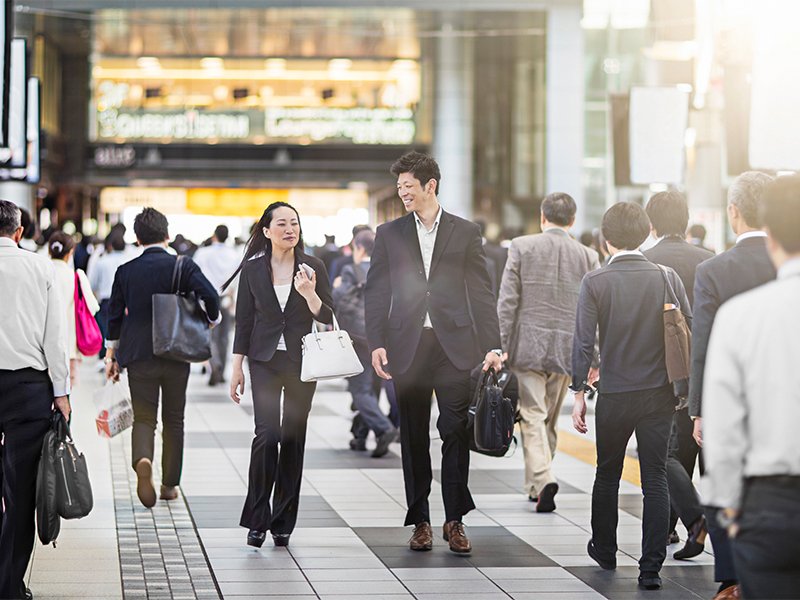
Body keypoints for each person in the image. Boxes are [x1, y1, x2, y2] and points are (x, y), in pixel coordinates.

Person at [364, 151, 502, 554]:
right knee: (412, 436)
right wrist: (376, 342)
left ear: (430, 186)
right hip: (406, 347)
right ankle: (420, 520)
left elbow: (481, 291)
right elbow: (376, 292)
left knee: (455, 432)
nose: (402, 193)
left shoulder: (465, 232)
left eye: (408, 186)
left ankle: (455, 520)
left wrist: (492, 345)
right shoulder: (389, 234)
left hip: (454, 348)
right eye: (399, 187)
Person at [571, 202, 690, 591]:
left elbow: (583, 341)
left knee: (607, 472)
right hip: (658, 393)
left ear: (606, 238)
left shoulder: (596, 281)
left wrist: (578, 393)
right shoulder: (666, 276)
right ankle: (651, 567)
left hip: (616, 392)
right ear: (645, 233)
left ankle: (604, 549)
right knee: (654, 475)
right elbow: (686, 327)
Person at [703, 175, 800, 599]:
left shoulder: (741, 316)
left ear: (772, 235)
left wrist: (730, 508)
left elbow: (723, 430)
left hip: (770, 502)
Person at [688, 171, 776, 600]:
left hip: (731, 401)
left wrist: (698, 408)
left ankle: (732, 578)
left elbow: (702, 344)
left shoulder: (713, 270)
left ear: (733, 212)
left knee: (722, 482)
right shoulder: (788, 265)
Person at [226, 201, 334, 549]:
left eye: (295, 224)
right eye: (283, 224)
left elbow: (328, 317)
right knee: (267, 434)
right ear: (267, 230)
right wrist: (236, 367)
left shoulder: (313, 266)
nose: (291, 229)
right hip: (264, 360)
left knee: (293, 437)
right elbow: (243, 322)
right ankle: (257, 519)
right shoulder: (253, 269)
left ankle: (283, 521)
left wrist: (310, 295)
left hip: (304, 362)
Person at [104, 208, 220, 508]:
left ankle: (143, 459)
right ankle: (170, 485)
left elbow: (114, 316)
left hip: (138, 353)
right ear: (167, 235)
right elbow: (211, 296)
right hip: (176, 351)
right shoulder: (183, 265)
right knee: (174, 419)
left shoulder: (126, 271)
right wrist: (211, 318)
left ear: (138, 238)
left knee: (144, 417)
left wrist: (111, 354)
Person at [497, 192, 600, 512]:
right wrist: (593, 356)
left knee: (532, 416)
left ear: (542, 218)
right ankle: (537, 485)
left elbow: (507, 301)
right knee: (549, 419)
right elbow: (592, 313)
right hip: (567, 350)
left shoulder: (522, 246)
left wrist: (501, 346)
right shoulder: (588, 256)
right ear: (572, 221)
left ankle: (542, 480)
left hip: (527, 347)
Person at [0, 199, 71, 600]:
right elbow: (54, 339)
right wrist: (60, 392)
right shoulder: (42, 268)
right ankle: (8, 586)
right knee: (20, 489)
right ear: (19, 231)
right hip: (28, 389)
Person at [642, 190, 714, 555]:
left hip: (658, 374)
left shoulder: (644, 261)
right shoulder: (710, 260)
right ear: (685, 221)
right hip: (702, 372)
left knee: (663, 453)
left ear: (651, 224)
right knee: (684, 447)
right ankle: (674, 527)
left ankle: (687, 521)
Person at [333, 229, 398, 457]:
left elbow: (339, 298)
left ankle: (383, 428)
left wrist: (338, 284)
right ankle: (359, 436)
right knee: (372, 388)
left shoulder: (351, 270)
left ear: (358, 248)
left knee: (360, 390)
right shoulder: (387, 270)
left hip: (358, 339)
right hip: (383, 339)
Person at [48, 231, 100, 389]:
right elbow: (92, 307)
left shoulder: (42, 273)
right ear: (71, 252)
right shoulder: (77, 276)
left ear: (50, 251)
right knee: (66, 392)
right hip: (70, 347)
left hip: (44, 348)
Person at [192, 224, 242, 386]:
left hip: (206, 299)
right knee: (224, 336)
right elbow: (238, 277)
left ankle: (215, 365)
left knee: (210, 335)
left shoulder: (203, 253)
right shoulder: (234, 254)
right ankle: (221, 371)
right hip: (226, 297)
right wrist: (233, 297)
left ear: (214, 235)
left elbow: (194, 273)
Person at [89, 230, 130, 360]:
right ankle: (121, 357)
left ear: (110, 245)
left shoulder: (102, 261)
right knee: (123, 330)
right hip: (125, 302)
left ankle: (105, 358)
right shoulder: (129, 260)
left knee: (106, 330)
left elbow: (93, 283)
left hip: (106, 300)